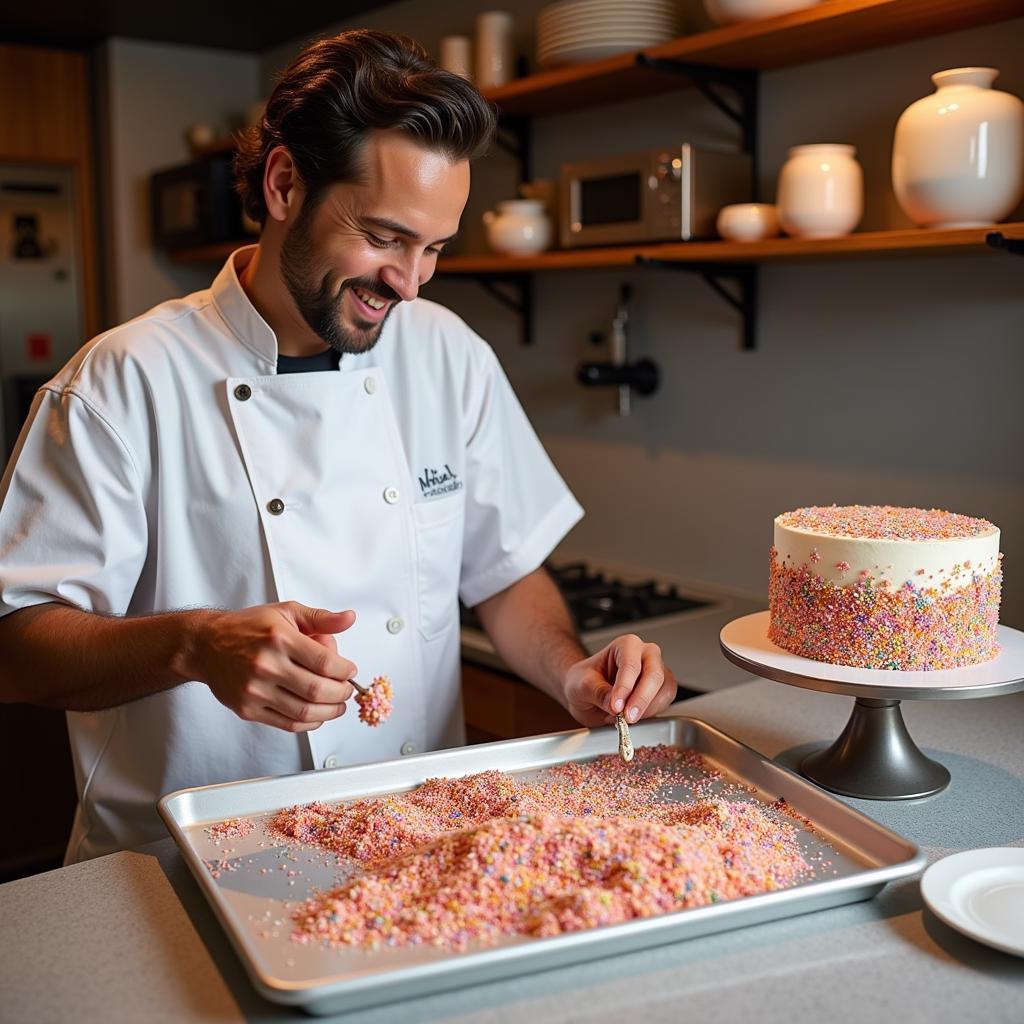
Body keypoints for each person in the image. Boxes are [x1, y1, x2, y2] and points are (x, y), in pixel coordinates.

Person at [0, 30, 677, 862]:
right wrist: (195, 645)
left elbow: (504, 571)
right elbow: (17, 648)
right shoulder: (120, 383)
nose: (411, 281)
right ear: (286, 183)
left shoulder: (447, 353)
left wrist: (571, 672)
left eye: (433, 249)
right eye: (386, 237)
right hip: (179, 871)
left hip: (419, 850)